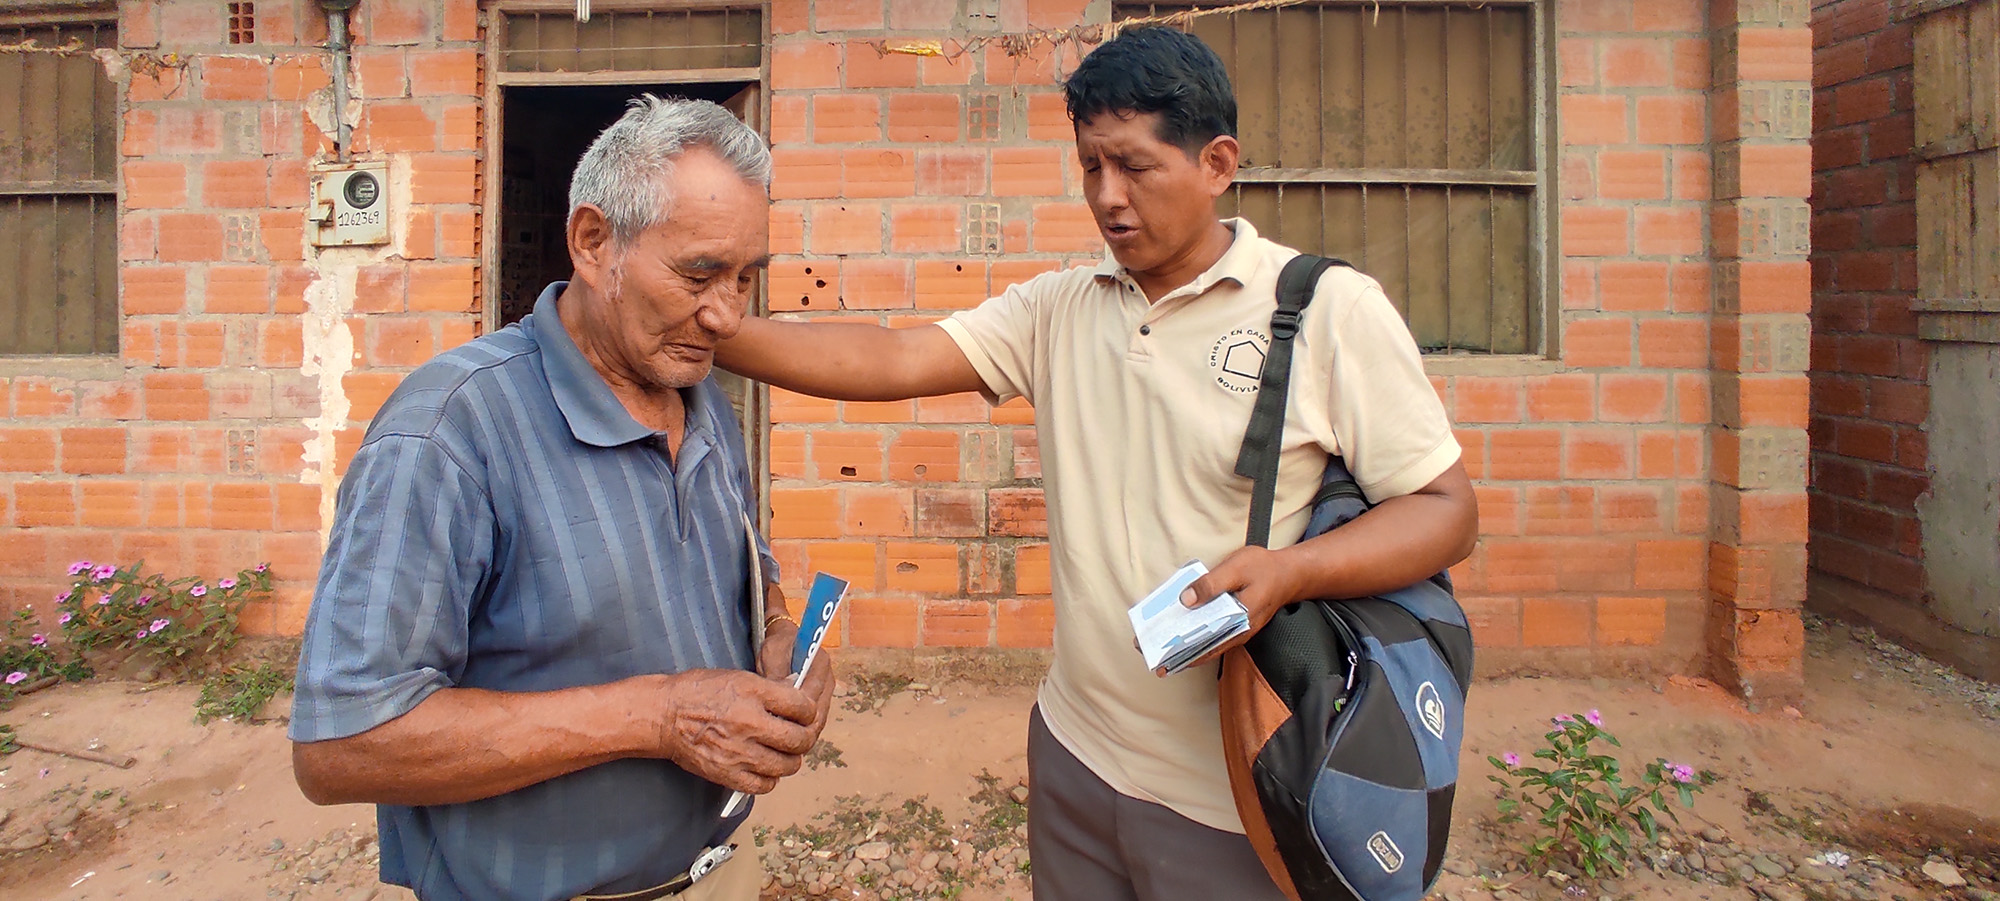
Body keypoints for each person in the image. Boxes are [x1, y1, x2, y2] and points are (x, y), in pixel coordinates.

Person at [715, 26, 1478, 901]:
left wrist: (1290, 572)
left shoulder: (1322, 309)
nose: (1107, 197)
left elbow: (1446, 509)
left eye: (1134, 167)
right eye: (1088, 168)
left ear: (1217, 163)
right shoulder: (1062, 308)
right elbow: (889, 359)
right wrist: (709, 326)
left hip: (1237, 788)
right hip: (1075, 757)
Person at [288, 96, 832, 901]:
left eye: (747, 277)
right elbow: (344, 744)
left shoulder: (700, 394)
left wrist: (783, 630)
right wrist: (659, 716)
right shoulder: (449, 433)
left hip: (717, 873)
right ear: (592, 241)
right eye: (698, 274)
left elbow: (746, 561)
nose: (726, 315)